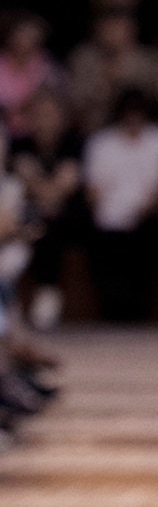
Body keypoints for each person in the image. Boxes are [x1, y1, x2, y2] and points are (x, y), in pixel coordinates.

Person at [82, 85, 158, 321]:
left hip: (146, 218)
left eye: (138, 114)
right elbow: (92, 192)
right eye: (128, 114)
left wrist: (141, 212)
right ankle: (111, 312)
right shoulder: (101, 143)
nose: (133, 120)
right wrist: (110, 215)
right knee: (97, 239)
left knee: (151, 237)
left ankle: (140, 312)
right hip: (107, 220)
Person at [8, 88, 84, 330]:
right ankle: (18, 299)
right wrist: (46, 195)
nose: (44, 120)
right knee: (36, 222)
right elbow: (25, 180)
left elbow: (67, 183)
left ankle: (48, 291)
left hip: (67, 215)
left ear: (61, 117)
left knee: (52, 222)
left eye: (50, 114)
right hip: (30, 214)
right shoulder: (20, 143)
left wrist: (47, 193)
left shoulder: (73, 143)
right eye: (39, 114)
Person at [66, 5, 158, 135]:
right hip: (90, 131)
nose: (112, 34)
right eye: (108, 28)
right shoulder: (83, 59)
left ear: (131, 31)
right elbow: (75, 102)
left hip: (134, 133)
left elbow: (148, 102)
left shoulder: (145, 61)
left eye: (118, 28)